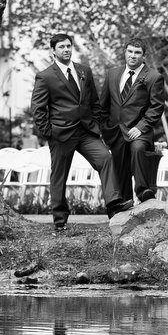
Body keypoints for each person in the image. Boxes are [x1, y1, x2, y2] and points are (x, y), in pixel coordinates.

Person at [30, 33, 131, 230]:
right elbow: (38, 108)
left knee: (105, 159)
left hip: (86, 132)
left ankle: (113, 205)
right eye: (61, 47)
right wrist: (48, 132)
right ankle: (60, 222)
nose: (66, 50)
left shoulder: (84, 71)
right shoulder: (45, 76)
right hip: (61, 134)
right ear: (53, 50)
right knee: (60, 176)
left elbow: (93, 101)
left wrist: (96, 125)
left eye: (68, 46)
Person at [98, 38, 166, 204]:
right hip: (115, 132)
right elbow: (103, 104)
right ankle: (124, 204)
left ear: (144, 56)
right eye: (130, 51)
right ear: (125, 52)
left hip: (139, 131)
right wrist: (104, 128)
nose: (133, 56)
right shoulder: (113, 73)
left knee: (137, 149)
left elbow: (156, 107)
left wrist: (141, 127)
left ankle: (143, 191)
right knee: (120, 171)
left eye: (137, 53)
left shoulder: (153, 77)